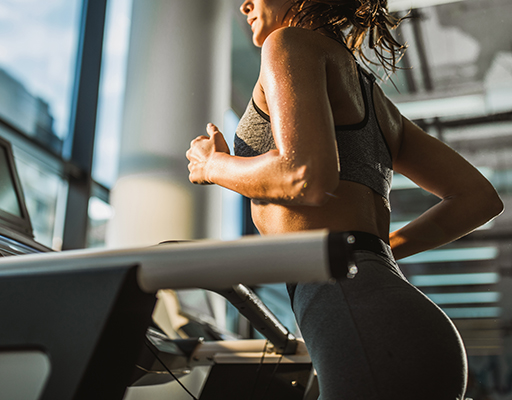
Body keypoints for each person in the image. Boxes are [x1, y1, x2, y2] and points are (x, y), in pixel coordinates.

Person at [186, 0, 504, 398]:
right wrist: (377, 253)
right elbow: (477, 199)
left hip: (361, 320)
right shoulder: (377, 102)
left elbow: (304, 176)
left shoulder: (287, 43)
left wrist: (213, 165)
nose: (244, 4)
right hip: (399, 318)